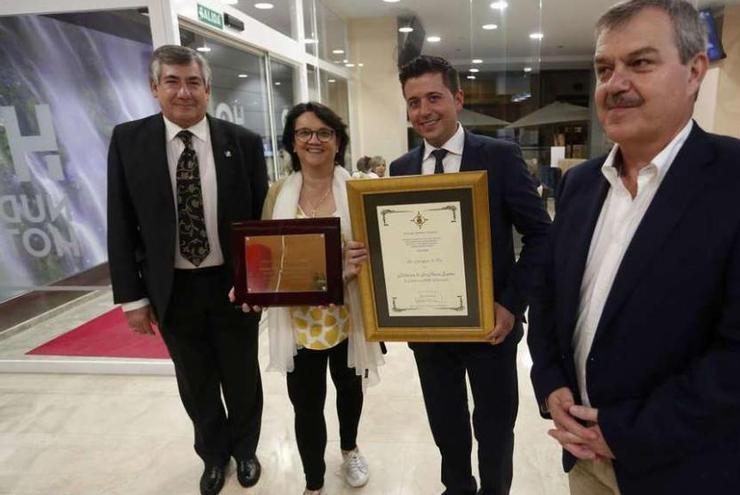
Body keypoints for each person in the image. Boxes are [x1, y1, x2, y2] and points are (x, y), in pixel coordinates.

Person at [526, 1, 740, 494]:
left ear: (694, 71)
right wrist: (551, 383)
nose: (615, 83)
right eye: (604, 68)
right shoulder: (579, 184)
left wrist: (624, 433)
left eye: (640, 63)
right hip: (587, 463)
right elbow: (550, 295)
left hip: (696, 471)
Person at [353, 54, 550, 495]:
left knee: (495, 428)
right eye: (413, 102)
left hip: (491, 326)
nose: (423, 111)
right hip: (429, 327)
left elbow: (540, 235)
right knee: (446, 424)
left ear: (457, 98)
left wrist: (510, 305)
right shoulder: (402, 169)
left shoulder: (498, 156)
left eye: (433, 98)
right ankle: (457, 488)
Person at [106, 45, 267, 495]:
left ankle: (245, 450)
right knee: (195, 381)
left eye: (193, 82)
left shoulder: (243, 143)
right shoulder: (128, 141)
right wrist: (133, 299)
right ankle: (213, 456)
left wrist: (261, 285)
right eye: (172, 81)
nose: (184, 91)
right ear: (154, 88)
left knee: (241, 375)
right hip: (171, 287)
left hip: (232, 286)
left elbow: (260, 222)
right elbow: (119, 222)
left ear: (207, 88)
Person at [254, 102, 384, 495]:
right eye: (304, 133)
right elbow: (263, 253)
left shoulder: (358, 190)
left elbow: (380, 249)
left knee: (349, 390)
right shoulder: (278, 193)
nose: (314, 140)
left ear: (338, 140)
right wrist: (250, 282)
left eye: (324, 132)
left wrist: (364, 258)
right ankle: (313, 481)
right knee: (306, 403)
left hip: (350, 314)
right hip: (298, 320)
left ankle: (349, 449)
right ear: (292, 143)